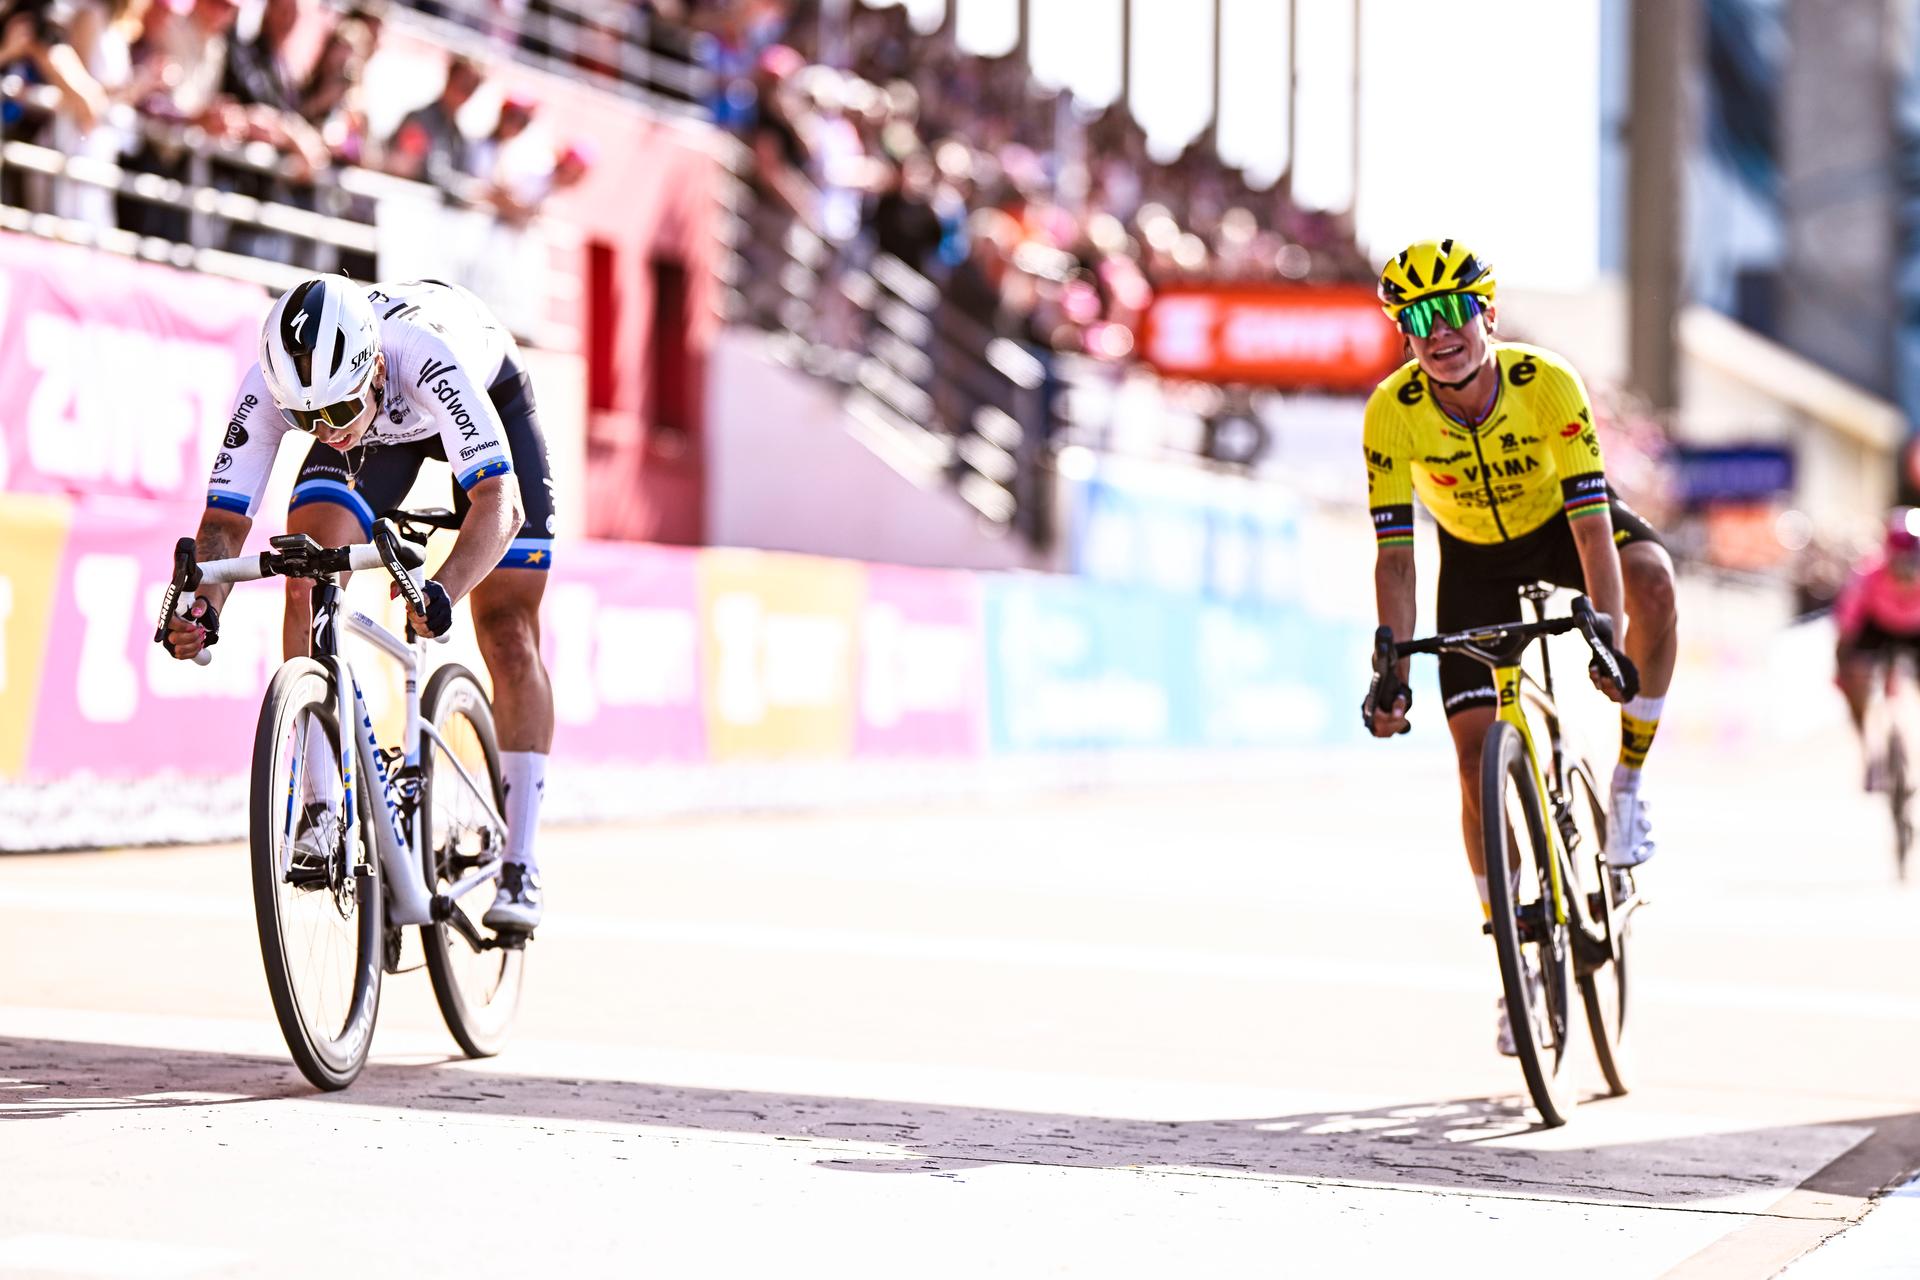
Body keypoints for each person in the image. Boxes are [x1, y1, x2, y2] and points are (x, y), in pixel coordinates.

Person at [1358, 239, 1679, 1056]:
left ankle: (1630, 781)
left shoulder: (1547, 384)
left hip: (1558, 533)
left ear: (1486, 313)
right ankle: (1510, 963)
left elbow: (1593, 529)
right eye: (1416, 317)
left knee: (1655, 581)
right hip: (1471, 561)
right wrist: (1391, 664)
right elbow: (1397, 556)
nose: (1437, 331)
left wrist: (1605, 633)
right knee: (1473, 764)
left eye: (1452, 310)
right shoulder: (1391, 412)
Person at [163, 276, 555, 932]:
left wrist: (444, 588)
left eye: (334, 416)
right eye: (305, 422)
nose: (324, 433)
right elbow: (223, 525)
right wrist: (204, 606)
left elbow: (501, 506)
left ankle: (519, 858)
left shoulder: (422, 354)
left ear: (373, 369)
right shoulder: (285, 385)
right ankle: (322, 806)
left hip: (483, 398)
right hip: (383, 431)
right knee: (305, 567)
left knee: (508, 629)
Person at [1834, 509, 1920, 789]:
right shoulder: (1869, 574)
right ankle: (1870, 751)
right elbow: (1848, 619)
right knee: (1854, 678)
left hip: (1914, 629)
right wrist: (1845, 665)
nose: (1906, 571)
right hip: (1876, 626)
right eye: (1899, 562)